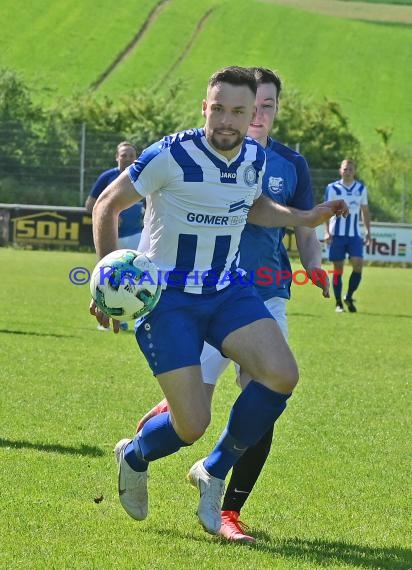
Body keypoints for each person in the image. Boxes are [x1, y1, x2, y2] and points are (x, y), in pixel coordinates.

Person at [90, 66, 347, 536]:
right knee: (190, 424)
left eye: (239, 111)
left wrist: (305, 216)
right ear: (205, 107)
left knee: (280, 375)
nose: (227, 120)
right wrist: (108, 280)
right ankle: (134, 454)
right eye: (219, 108)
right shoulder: (170, 154)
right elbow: (108, 203)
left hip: (227, 289)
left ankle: (213, 469)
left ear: (253, 114)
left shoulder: (252, 156)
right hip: (167, 300)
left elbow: (254, 206)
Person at [86, 141, 144, 330]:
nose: (127, 158)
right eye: (123, 155)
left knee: (138, 278)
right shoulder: (107, 177)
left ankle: (135, 318)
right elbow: (91, 204)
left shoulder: (144, 175)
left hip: (137, 235)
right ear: (116, 157)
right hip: (113, 238)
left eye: (131, 155)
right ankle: (105, 318)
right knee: (110, 277)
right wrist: (108, 216)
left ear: (136, 157)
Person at [324, 158, 371, 313]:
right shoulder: (332, 188)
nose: (348, 171)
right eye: (345, 169)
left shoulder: (361, 188)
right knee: (338, 269)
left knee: (358, 264)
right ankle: (338, 303)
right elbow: (325, 210)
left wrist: (368, 232)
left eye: (350, 169)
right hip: (337, 234)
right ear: (340, 170)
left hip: (354, 235)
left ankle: (349, 296)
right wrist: (326, 231)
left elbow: (365, 211)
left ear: (354, 171)